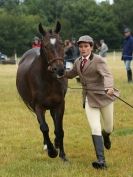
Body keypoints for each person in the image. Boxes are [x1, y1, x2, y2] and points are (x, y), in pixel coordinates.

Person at [65, 35, 119, 169]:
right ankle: (101, 161)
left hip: (104, 97)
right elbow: (71, 73)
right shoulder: (78, 62)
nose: (83, 49)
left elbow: (107, 75)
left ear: (91, 47)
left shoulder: (98, 60)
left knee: (108, 127)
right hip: (89, 98)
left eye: (86, 46)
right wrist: (59, 72)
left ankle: (106, 135)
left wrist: (109, 87)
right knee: (95, 127)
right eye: (81, 46)